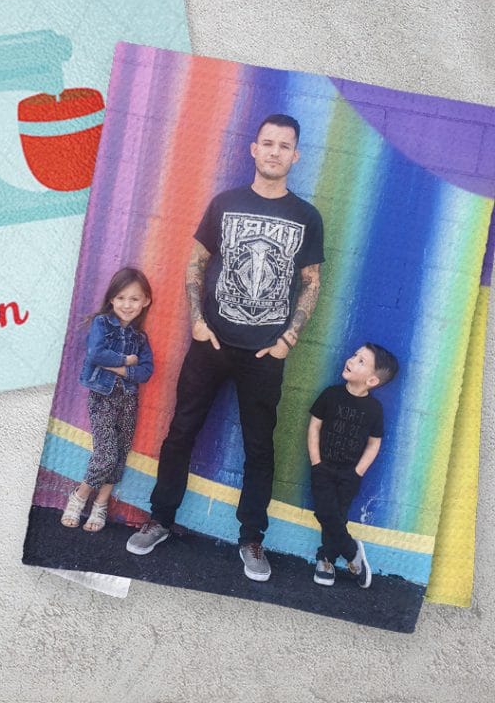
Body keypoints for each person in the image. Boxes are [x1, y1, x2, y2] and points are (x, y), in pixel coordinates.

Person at [126, 114, 324, 582]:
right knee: (181, 432)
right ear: (253, 149)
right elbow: (197, 261)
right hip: (211, 342)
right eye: (268, 143)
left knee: (259, 448)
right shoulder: (225, 203)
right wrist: (196, 321)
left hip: (264, 355)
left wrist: (288, 338)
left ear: (295, 156)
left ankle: (251, 538)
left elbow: (311, 281)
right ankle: (161, 518)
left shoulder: (305, 216)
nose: (275, 152)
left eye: (284, 146)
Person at [61, 267, 154, 533]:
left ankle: (101, 503)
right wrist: (126, 361)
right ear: (112, 299)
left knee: (120, 454)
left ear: (145, 301)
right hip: (102, 397)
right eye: (121, 298)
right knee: (106, 455)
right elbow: (95, 354)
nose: (127, 304)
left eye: (134, 299)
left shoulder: (140, 338)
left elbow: (146, 371)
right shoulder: (102, 324)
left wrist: (118, 368)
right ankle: (80, 496)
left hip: (128, 401)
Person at [308, 343, 398, 589]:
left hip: (349, 474)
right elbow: (315, 426)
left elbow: (374, 443)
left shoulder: (374, 409)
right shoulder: (331, 395)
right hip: (323, 469)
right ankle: (352, 553)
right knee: (325, 512)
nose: (351, 359)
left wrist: (358, 472)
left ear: (371, 380)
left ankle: (326, 561)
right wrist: (316, 463)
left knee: (337, 516)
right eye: (354, 354)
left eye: (361, 361)